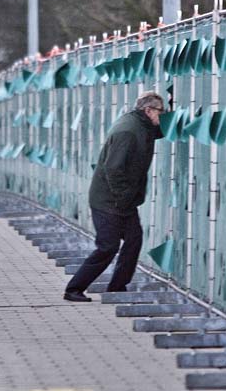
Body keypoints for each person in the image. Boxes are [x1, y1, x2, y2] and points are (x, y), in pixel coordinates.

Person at [64, 91, 165, 302]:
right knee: (108, 246)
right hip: (109, 200)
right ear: (148, 110)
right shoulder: (128, 131)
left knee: (133, 240)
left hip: (123, 199)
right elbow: (113, 168)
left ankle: (117, 287)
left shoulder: (142, 126)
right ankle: (74, 289)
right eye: (161, 112)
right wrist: (122, 198)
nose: (162, 116)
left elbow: (160, 131)